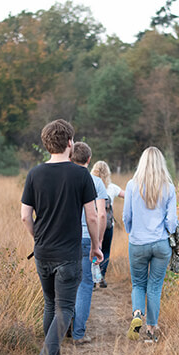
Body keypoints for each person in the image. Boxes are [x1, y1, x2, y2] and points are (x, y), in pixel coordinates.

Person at [20, 120, 103, 355]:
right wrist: (96, 245)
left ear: (47, 144)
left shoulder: (34, 174)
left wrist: (38, 238)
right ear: (70, 143)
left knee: (50, 304)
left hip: (43, 252)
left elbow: (24, 216)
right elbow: (92, 215)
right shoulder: (82, 176)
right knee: (65, 308)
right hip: (68, 253)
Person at [123, 147, 177, 343]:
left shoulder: (131, 185)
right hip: (161, 244)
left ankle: (137, 313)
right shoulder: (169, 188)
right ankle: (151, 330)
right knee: (154, 287)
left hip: (137, 243)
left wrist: (132, 230)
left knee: (138, 284)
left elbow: (127, 216)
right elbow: (172, 222)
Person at [69, 142, 107, 344]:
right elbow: (101, 215)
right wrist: (98, 240)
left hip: (65, 239)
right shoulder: (96, 182)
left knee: (67, 285)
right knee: (85, 285)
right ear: (89, 160)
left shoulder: (65, 178)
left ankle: (63, 328)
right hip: (86, 238)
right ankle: (78, 333)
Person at [91, 160, 124, 289]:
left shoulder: (89, 184)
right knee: (105, 251)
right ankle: (102, 276)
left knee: (94, 252)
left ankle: (93, 278)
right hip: (108, 226)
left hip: (92, 225)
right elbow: (127, 195)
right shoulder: (112, 187)